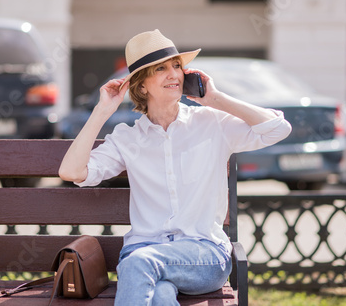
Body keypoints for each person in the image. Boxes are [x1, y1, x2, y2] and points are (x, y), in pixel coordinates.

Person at [59, 29, 292, 306]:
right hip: (145, 251)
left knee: (139, 264)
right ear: (141, 86)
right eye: (161, 68)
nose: (174, 74)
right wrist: (102, 111)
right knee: (160, 294)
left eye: (177, 66)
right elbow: (73, 172)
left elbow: (278, 129)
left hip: (204, 255)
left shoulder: (212, 122)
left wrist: (215, 98)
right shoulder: (127, 138)